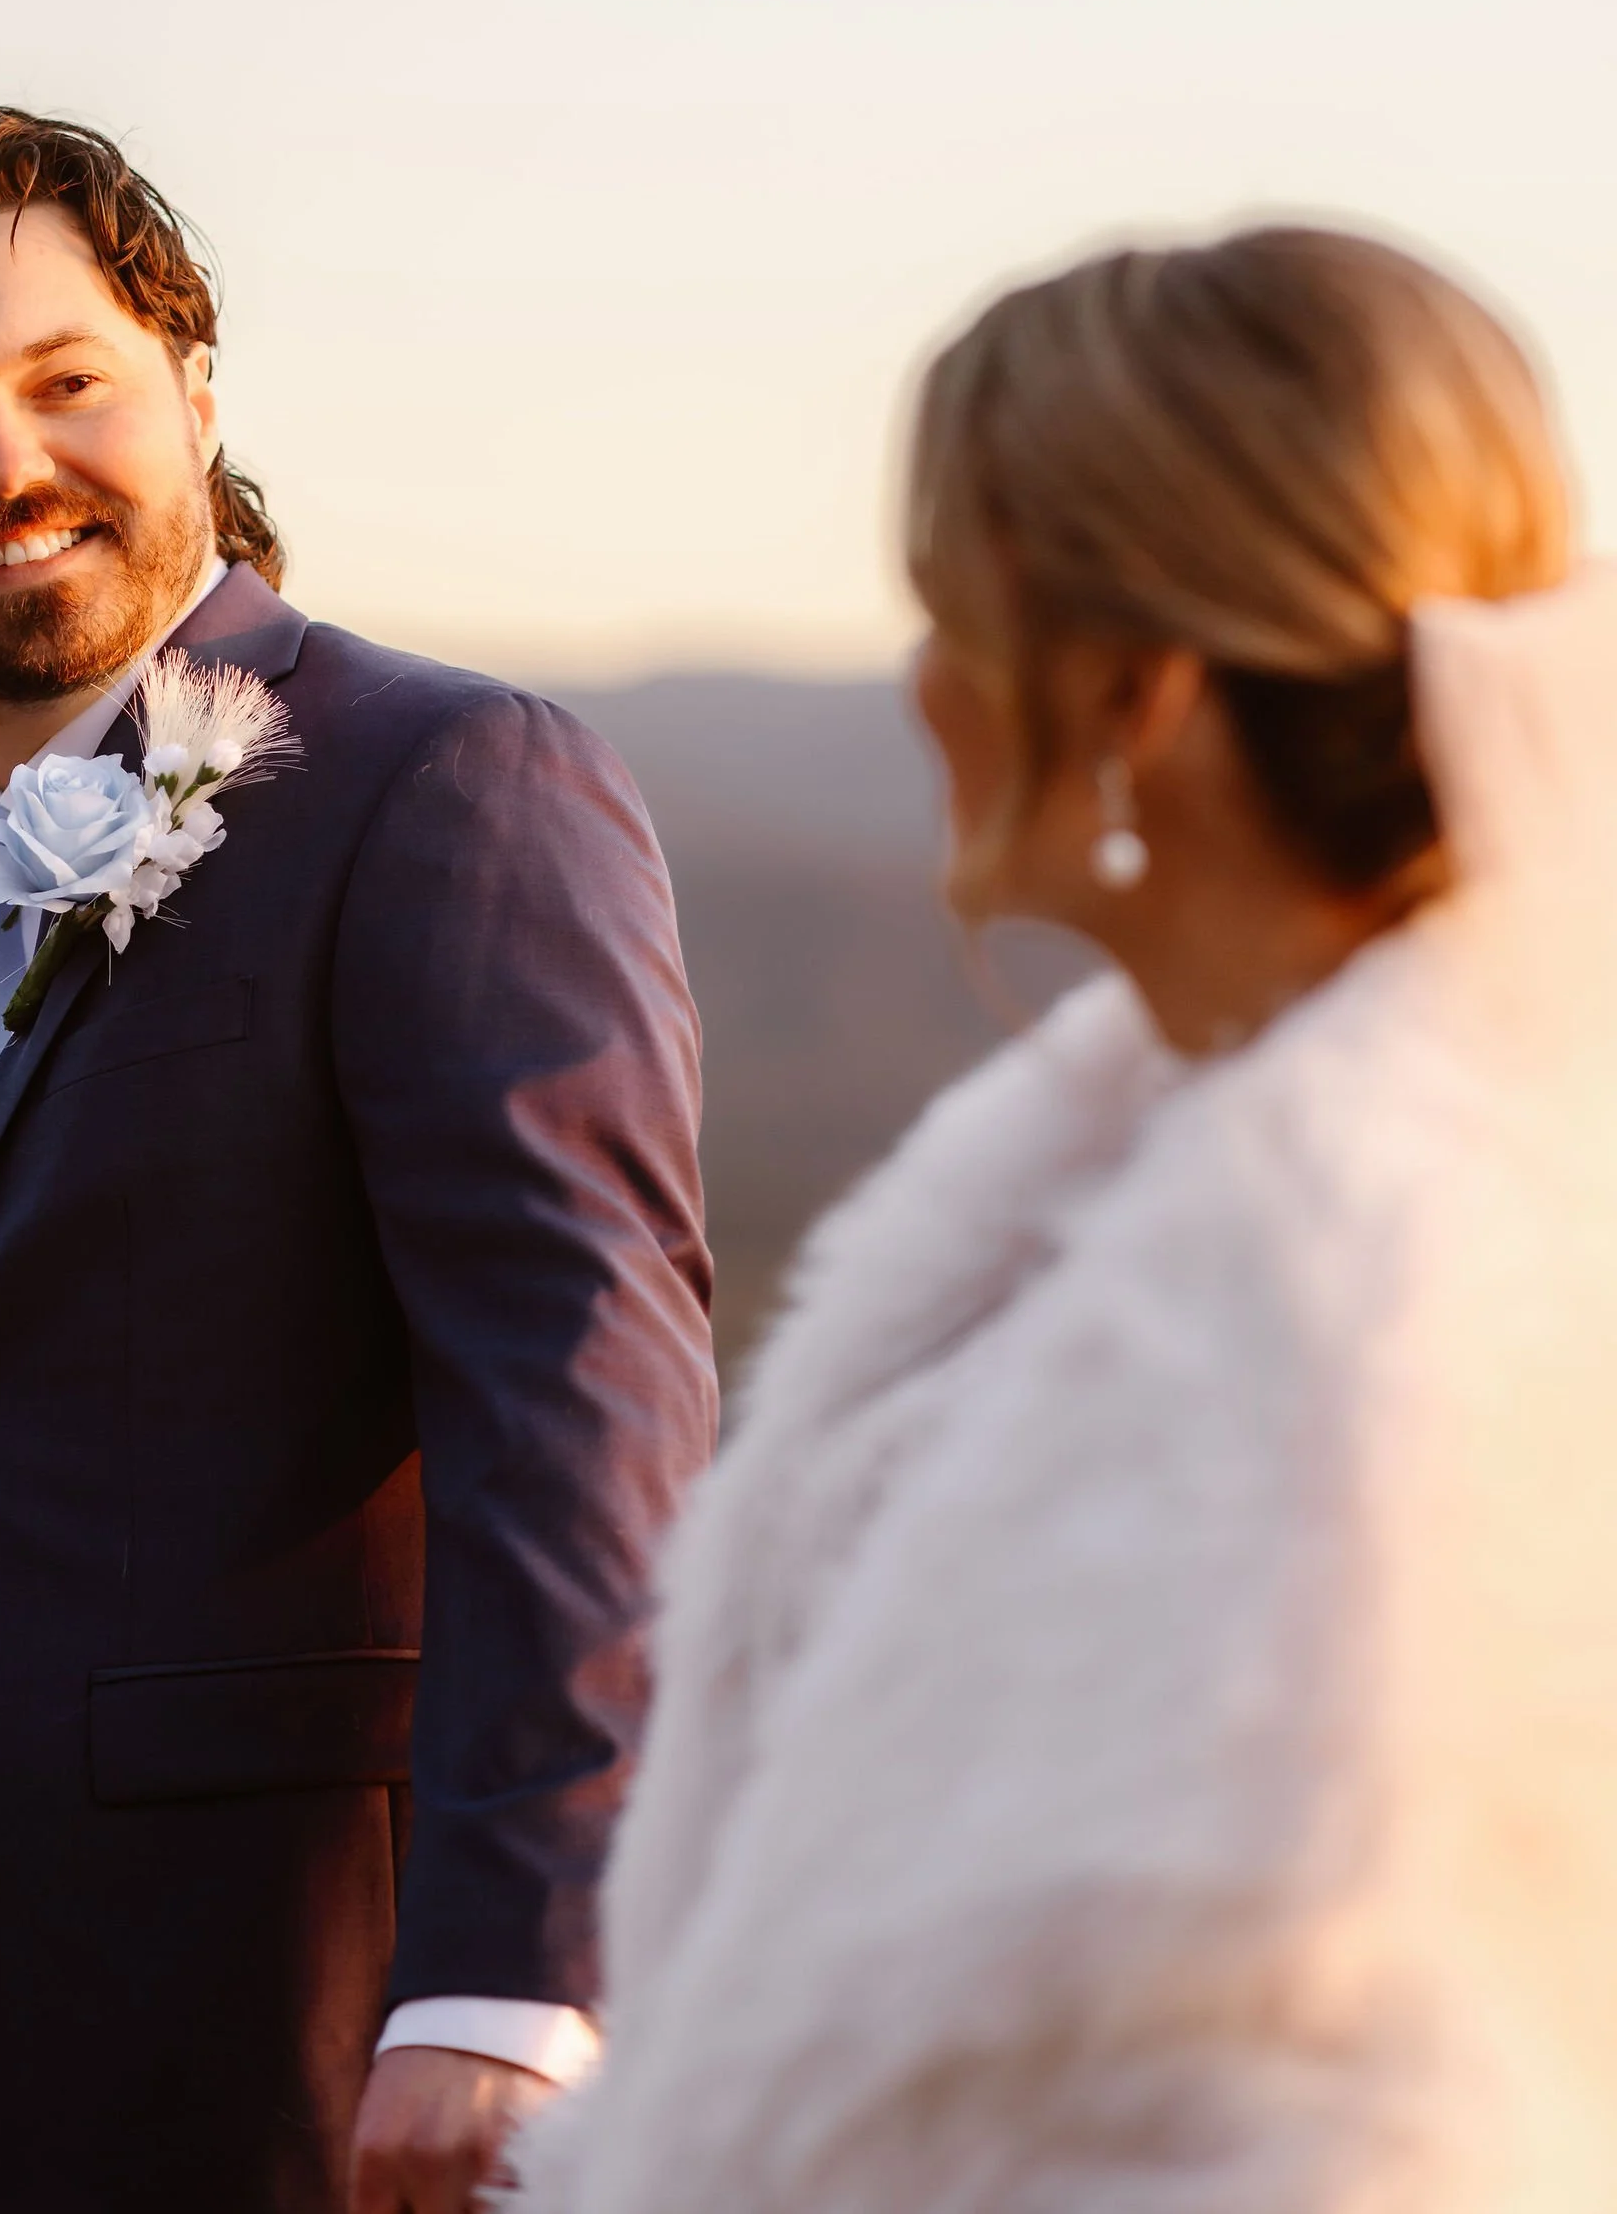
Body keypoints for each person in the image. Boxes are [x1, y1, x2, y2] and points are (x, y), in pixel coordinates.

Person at [514, 225, 1617, 2214]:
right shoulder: (1147, 1186)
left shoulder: (1319, 1322)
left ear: (1131, 691)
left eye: (951, 609)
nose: (923, 680)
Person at [0, 108, 718, 2214]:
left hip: (260, 2048)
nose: (2, 460)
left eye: (66, 379)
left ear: (196, 392)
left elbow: (584, 1405)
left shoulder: (447, 782)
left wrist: (514, 1972)